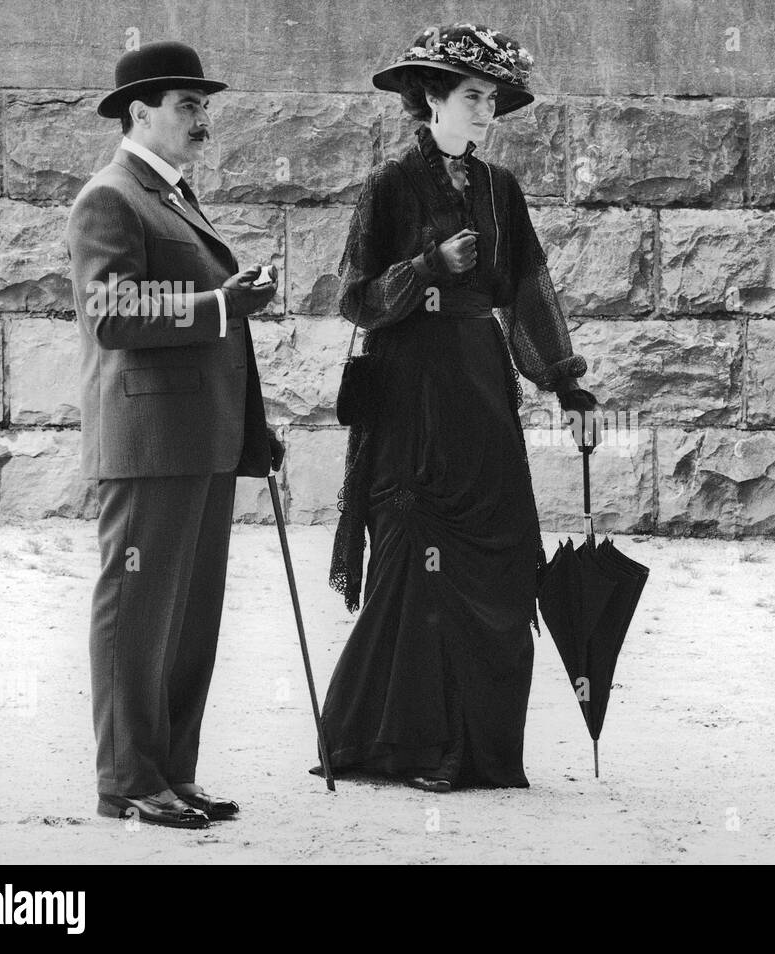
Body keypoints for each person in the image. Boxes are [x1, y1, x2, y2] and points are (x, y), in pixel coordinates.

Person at [321, 22, 598, 791]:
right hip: (412, 397)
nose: (485, 114)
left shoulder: (500, 191)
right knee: (420, 567)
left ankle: (480, 752)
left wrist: (567, 383)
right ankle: (407, 748)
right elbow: (354, 300)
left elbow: (528, 295)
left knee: (505, 559)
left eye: (492, 101)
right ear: (431, 99)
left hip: (480, 393)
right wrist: (425, 268)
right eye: (472, 97)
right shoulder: (389, 185)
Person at [68, 40, 284, 828]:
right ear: (139, 112)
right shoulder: (110, 197)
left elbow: (208, 322)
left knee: (188, 617)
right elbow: (112, 313)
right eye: (188, 105)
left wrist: (250, 427)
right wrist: (222, 305)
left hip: (200, 439)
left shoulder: (172, 195)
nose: (203, 119)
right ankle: (127, 780)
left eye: (203, 106)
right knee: (137, 611)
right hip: (150, 443)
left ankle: (171, 771)